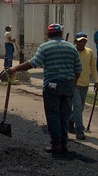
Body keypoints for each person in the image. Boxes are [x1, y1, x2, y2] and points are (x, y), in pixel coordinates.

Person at [7, 24, 81, 155]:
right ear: (61, 34)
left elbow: (33, 63)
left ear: (48, 34)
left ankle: (56, 145)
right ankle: (64, 144)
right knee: (65, 115)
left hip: (52, 85)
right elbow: (78, 69)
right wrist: (73, 84)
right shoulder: (71, 47)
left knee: (53, 114)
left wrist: (14, 68)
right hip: (68, 85)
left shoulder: (45, 47)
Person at [68, 33, 98, 140]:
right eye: (80, 41)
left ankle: (69, 121)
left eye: (84, 41)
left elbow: (93, 68)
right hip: (74, 84)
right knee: (77, 106)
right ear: (75, 42)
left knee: (80, 108)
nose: (82, 43)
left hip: (85, 84)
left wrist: (96, 81)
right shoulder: (71, 51)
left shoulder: (89, 52)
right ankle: (79, 130)